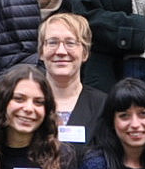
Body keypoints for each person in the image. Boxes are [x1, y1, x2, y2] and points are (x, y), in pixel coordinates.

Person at [38, 13, 105, 149]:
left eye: (70, 43)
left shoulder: (103, 105)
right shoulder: (26, 103)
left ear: (85, 53)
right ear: (41, 52)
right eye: (52, 42)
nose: (61, 51)